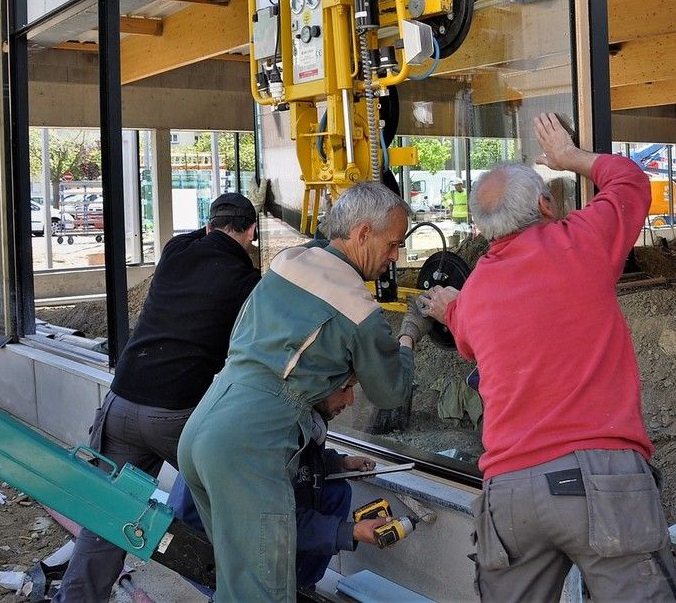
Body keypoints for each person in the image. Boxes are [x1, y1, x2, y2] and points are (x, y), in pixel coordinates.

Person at [421, 114, 676, 602]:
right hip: (600, 479)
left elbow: (470, 337)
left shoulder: (477, 291)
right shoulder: (581, 239)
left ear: (483, 232)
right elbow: (630, 180)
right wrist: (571, 158)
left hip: (510, 492)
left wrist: (448, 307)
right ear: (545, 204)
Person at [177, 182, 427, 602]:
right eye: (393, 244)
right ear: (363, 234)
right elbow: (391, 391)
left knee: (237, 585)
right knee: (264, 595)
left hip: (205, 424)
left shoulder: (289, 260)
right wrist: (409, 336)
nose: (395, 257)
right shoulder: (359, 310)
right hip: (251, 445)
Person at [54, 193, 261, 603]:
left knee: (110, 514)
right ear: (252, 233)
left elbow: (201, 245)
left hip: (121, 401)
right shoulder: (245, 283)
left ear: (207, 226)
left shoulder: (175, 251)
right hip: (175, 414)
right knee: (238, 505)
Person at [166, 377, 381, 596]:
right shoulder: (269, 427)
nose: (351, 400)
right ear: (317, 384)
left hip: (247, 514)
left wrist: (338, 463)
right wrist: (350, 531)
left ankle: (298, 589)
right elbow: (270, 519)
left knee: (336, 492)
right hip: (205, 540)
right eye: (345, 388)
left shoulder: (294, 408)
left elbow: (293, 464)